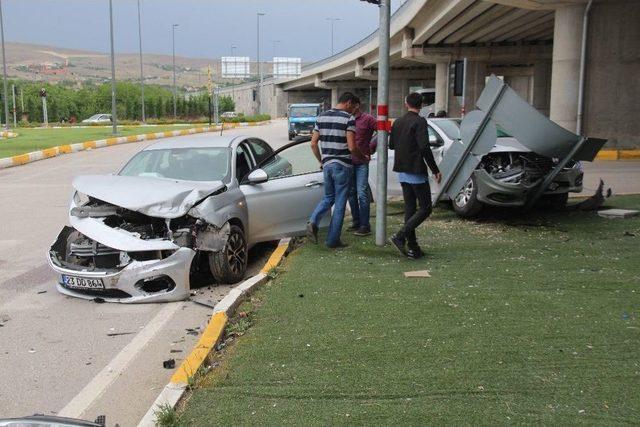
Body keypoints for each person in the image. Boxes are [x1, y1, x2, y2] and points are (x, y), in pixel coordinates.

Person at [307, 92, 365, 249]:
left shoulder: (321, 117)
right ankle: (333, 240)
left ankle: (313, 221)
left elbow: (313, 144)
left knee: (328, 198)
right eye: (354, 107)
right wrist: (363, 157)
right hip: (342, 166)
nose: (354, 111)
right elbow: (352, 147)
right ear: (348, 103)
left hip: (327, 165)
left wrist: (321, 160)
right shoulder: (348, 119)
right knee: (339, 203)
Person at [388, 92, 443, 259]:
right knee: (426, 208)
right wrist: (435, 170)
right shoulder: (420, 121)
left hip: (402, 170)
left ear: (406, 104)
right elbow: (425, 147)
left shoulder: (397, 122)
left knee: (410, 209)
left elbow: (391, 145)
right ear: (422, 105)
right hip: (416, 169)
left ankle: (413, 248)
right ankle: (400, 236)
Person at [347, 99, 377, 237]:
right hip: (347, 162)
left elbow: (383, 131)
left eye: (350, 105)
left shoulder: (368, 119)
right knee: (351, 194)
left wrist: (372, 147)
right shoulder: (346, 119)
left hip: (361, 162)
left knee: (362, 193)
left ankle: (365, 225)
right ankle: (356, 221)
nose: (348, 108)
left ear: (357, 105)